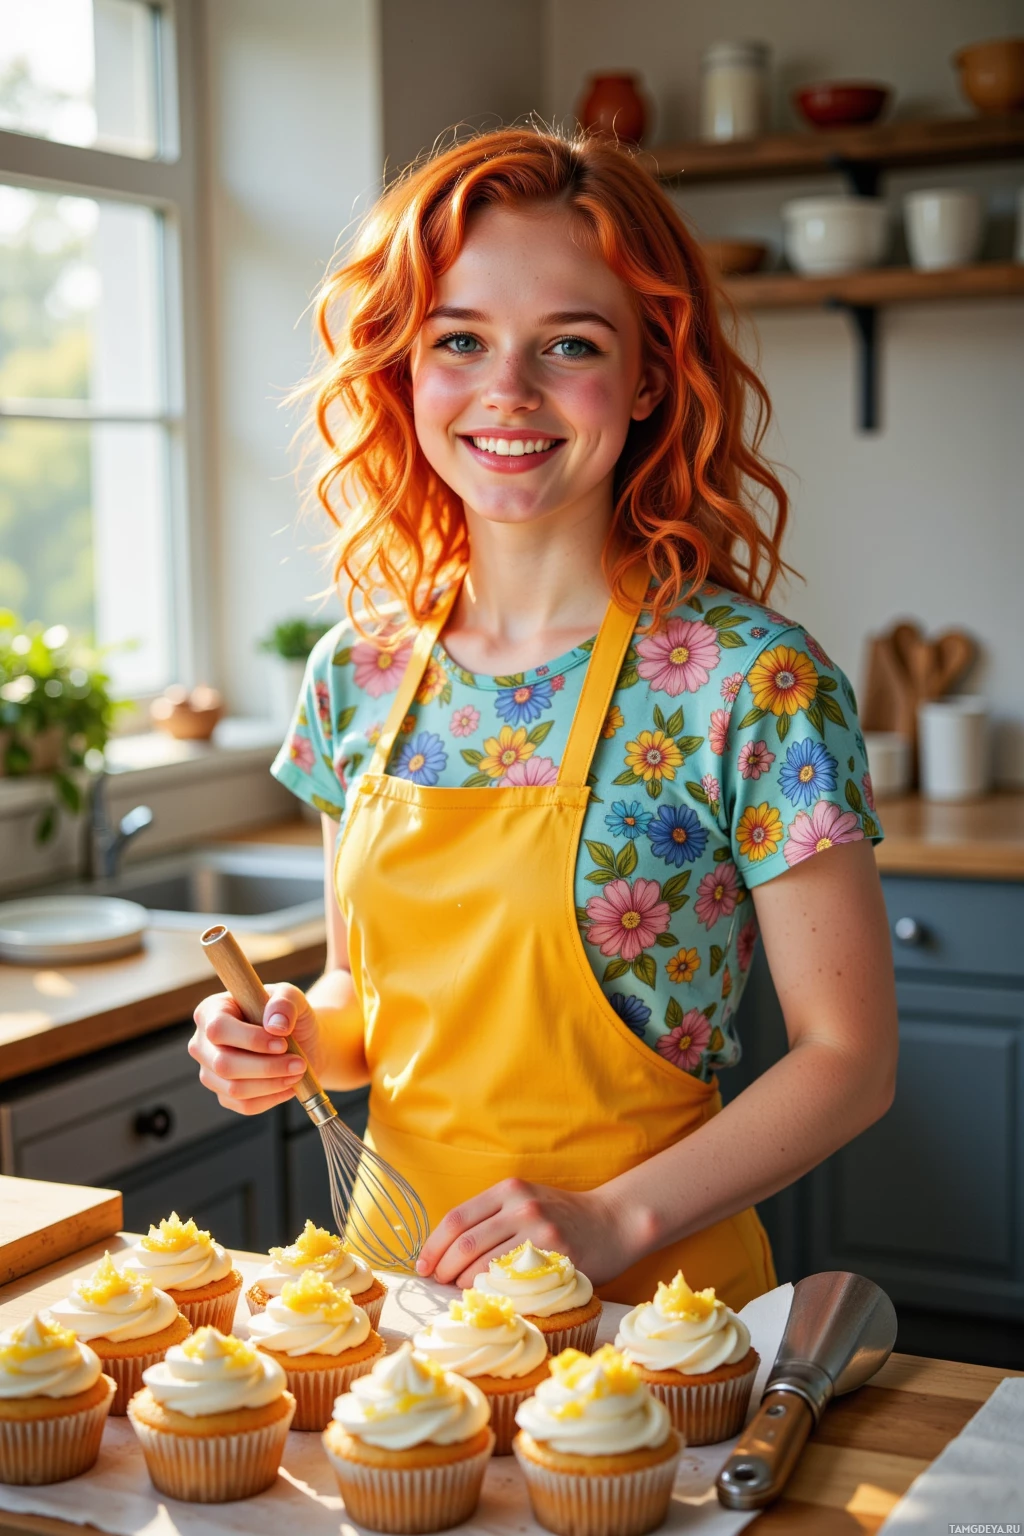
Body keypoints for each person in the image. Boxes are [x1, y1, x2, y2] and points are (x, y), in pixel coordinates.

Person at [190, 127, 898, 1309]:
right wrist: (295, 1040)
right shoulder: (355, 675)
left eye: (568, 344)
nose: (505, 393)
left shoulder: (748, 683)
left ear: (649, 377)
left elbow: (850, 1061)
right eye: (458, 341)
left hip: (657, 1322)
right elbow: (364, 999)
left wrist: (612, 1220)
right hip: (397, 1306)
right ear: (402, 372)